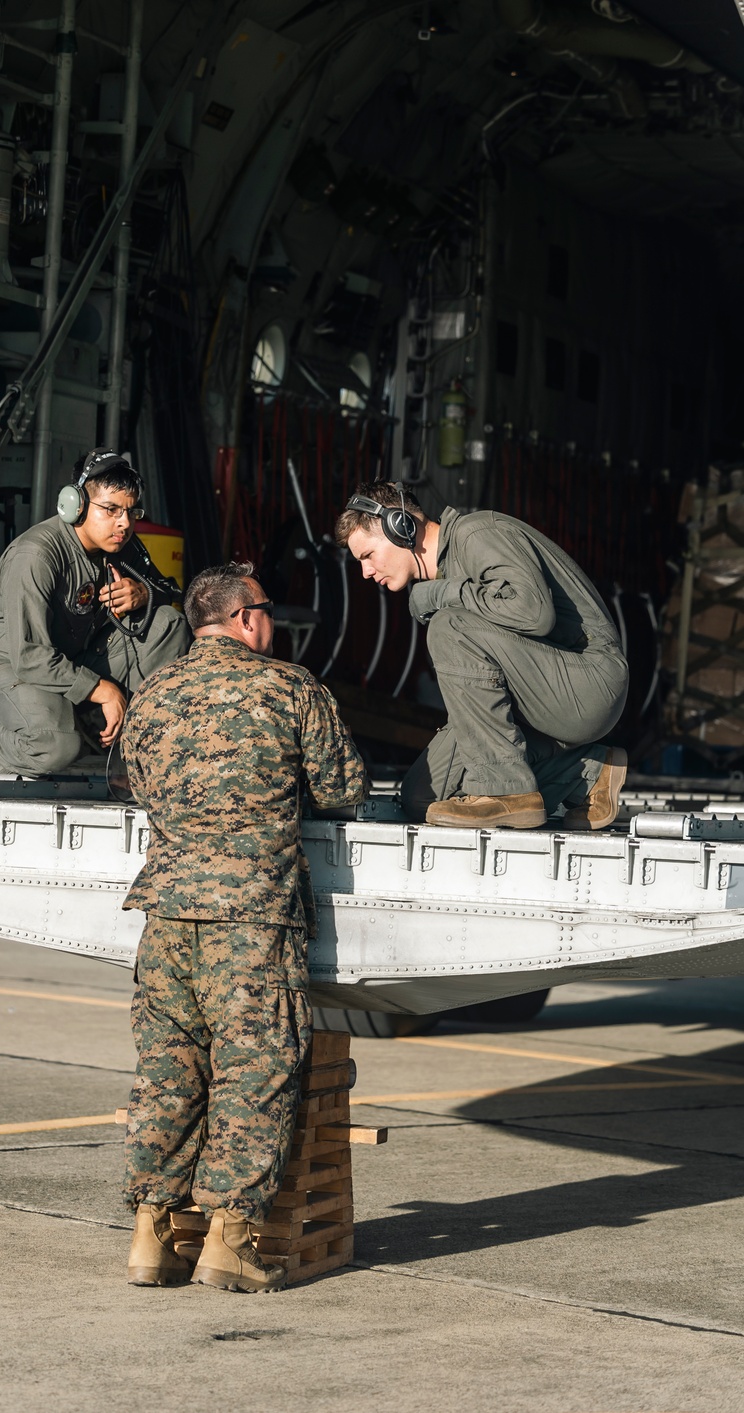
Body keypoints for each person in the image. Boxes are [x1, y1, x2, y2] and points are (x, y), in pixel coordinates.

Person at [120, 561, 367, 1294]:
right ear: (247, 617)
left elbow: (132, 780)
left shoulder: (155, 691)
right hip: (253, 918)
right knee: (252, 1072)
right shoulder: (290, 687)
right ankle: (230, 1238)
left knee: (167, 1072)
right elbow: (343, 789)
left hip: (166, 916)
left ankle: (151, 1232)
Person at [335, 483, 629, 830]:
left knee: (448, 627)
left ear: (401, 526)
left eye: (368, 555)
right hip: (540, 696)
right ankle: (589, 772)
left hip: (588, 682)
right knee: (422, 797)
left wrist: (442, 593)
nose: (366, 572)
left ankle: (506, 792)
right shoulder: (452, 564)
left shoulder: (477, 532)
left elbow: (533, 612)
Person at [0, 449, 190, 775]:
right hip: (8, 667)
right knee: (55, 745)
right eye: (111, 509)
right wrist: (102, 689)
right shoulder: (36, 555)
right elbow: (29, 656)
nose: (124, 523)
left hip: (72, 657)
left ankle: (123, 740)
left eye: (130, 511)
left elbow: (170, 592)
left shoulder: (122, 545)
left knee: (169, 625)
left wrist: (143, 593)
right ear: (76, 505)